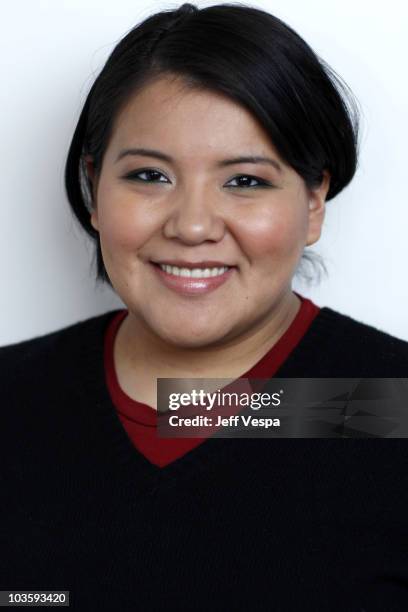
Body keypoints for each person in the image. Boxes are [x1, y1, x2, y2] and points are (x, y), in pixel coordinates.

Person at [1, 3, 407, 611]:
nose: (192, 226)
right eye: (148, 176)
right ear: (93, 186)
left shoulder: (382, 404)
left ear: (315, 200)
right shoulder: (15, 398)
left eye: (245, 181)